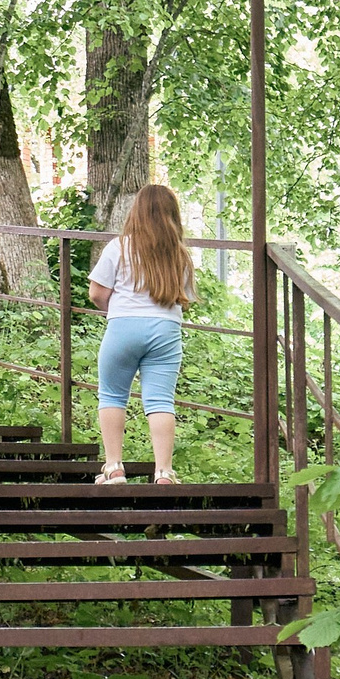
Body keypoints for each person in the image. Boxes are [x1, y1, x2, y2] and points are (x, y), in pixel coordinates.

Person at [87, 183, 193, 484]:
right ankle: (163, 472)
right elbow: (181, 296)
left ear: (137, 211)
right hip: (166, 329)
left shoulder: (119, 246)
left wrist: (115, 310)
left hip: (123, 326)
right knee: (160, 400)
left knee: (112, 394)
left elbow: (96, 292)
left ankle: (114, 467)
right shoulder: (179, 254)